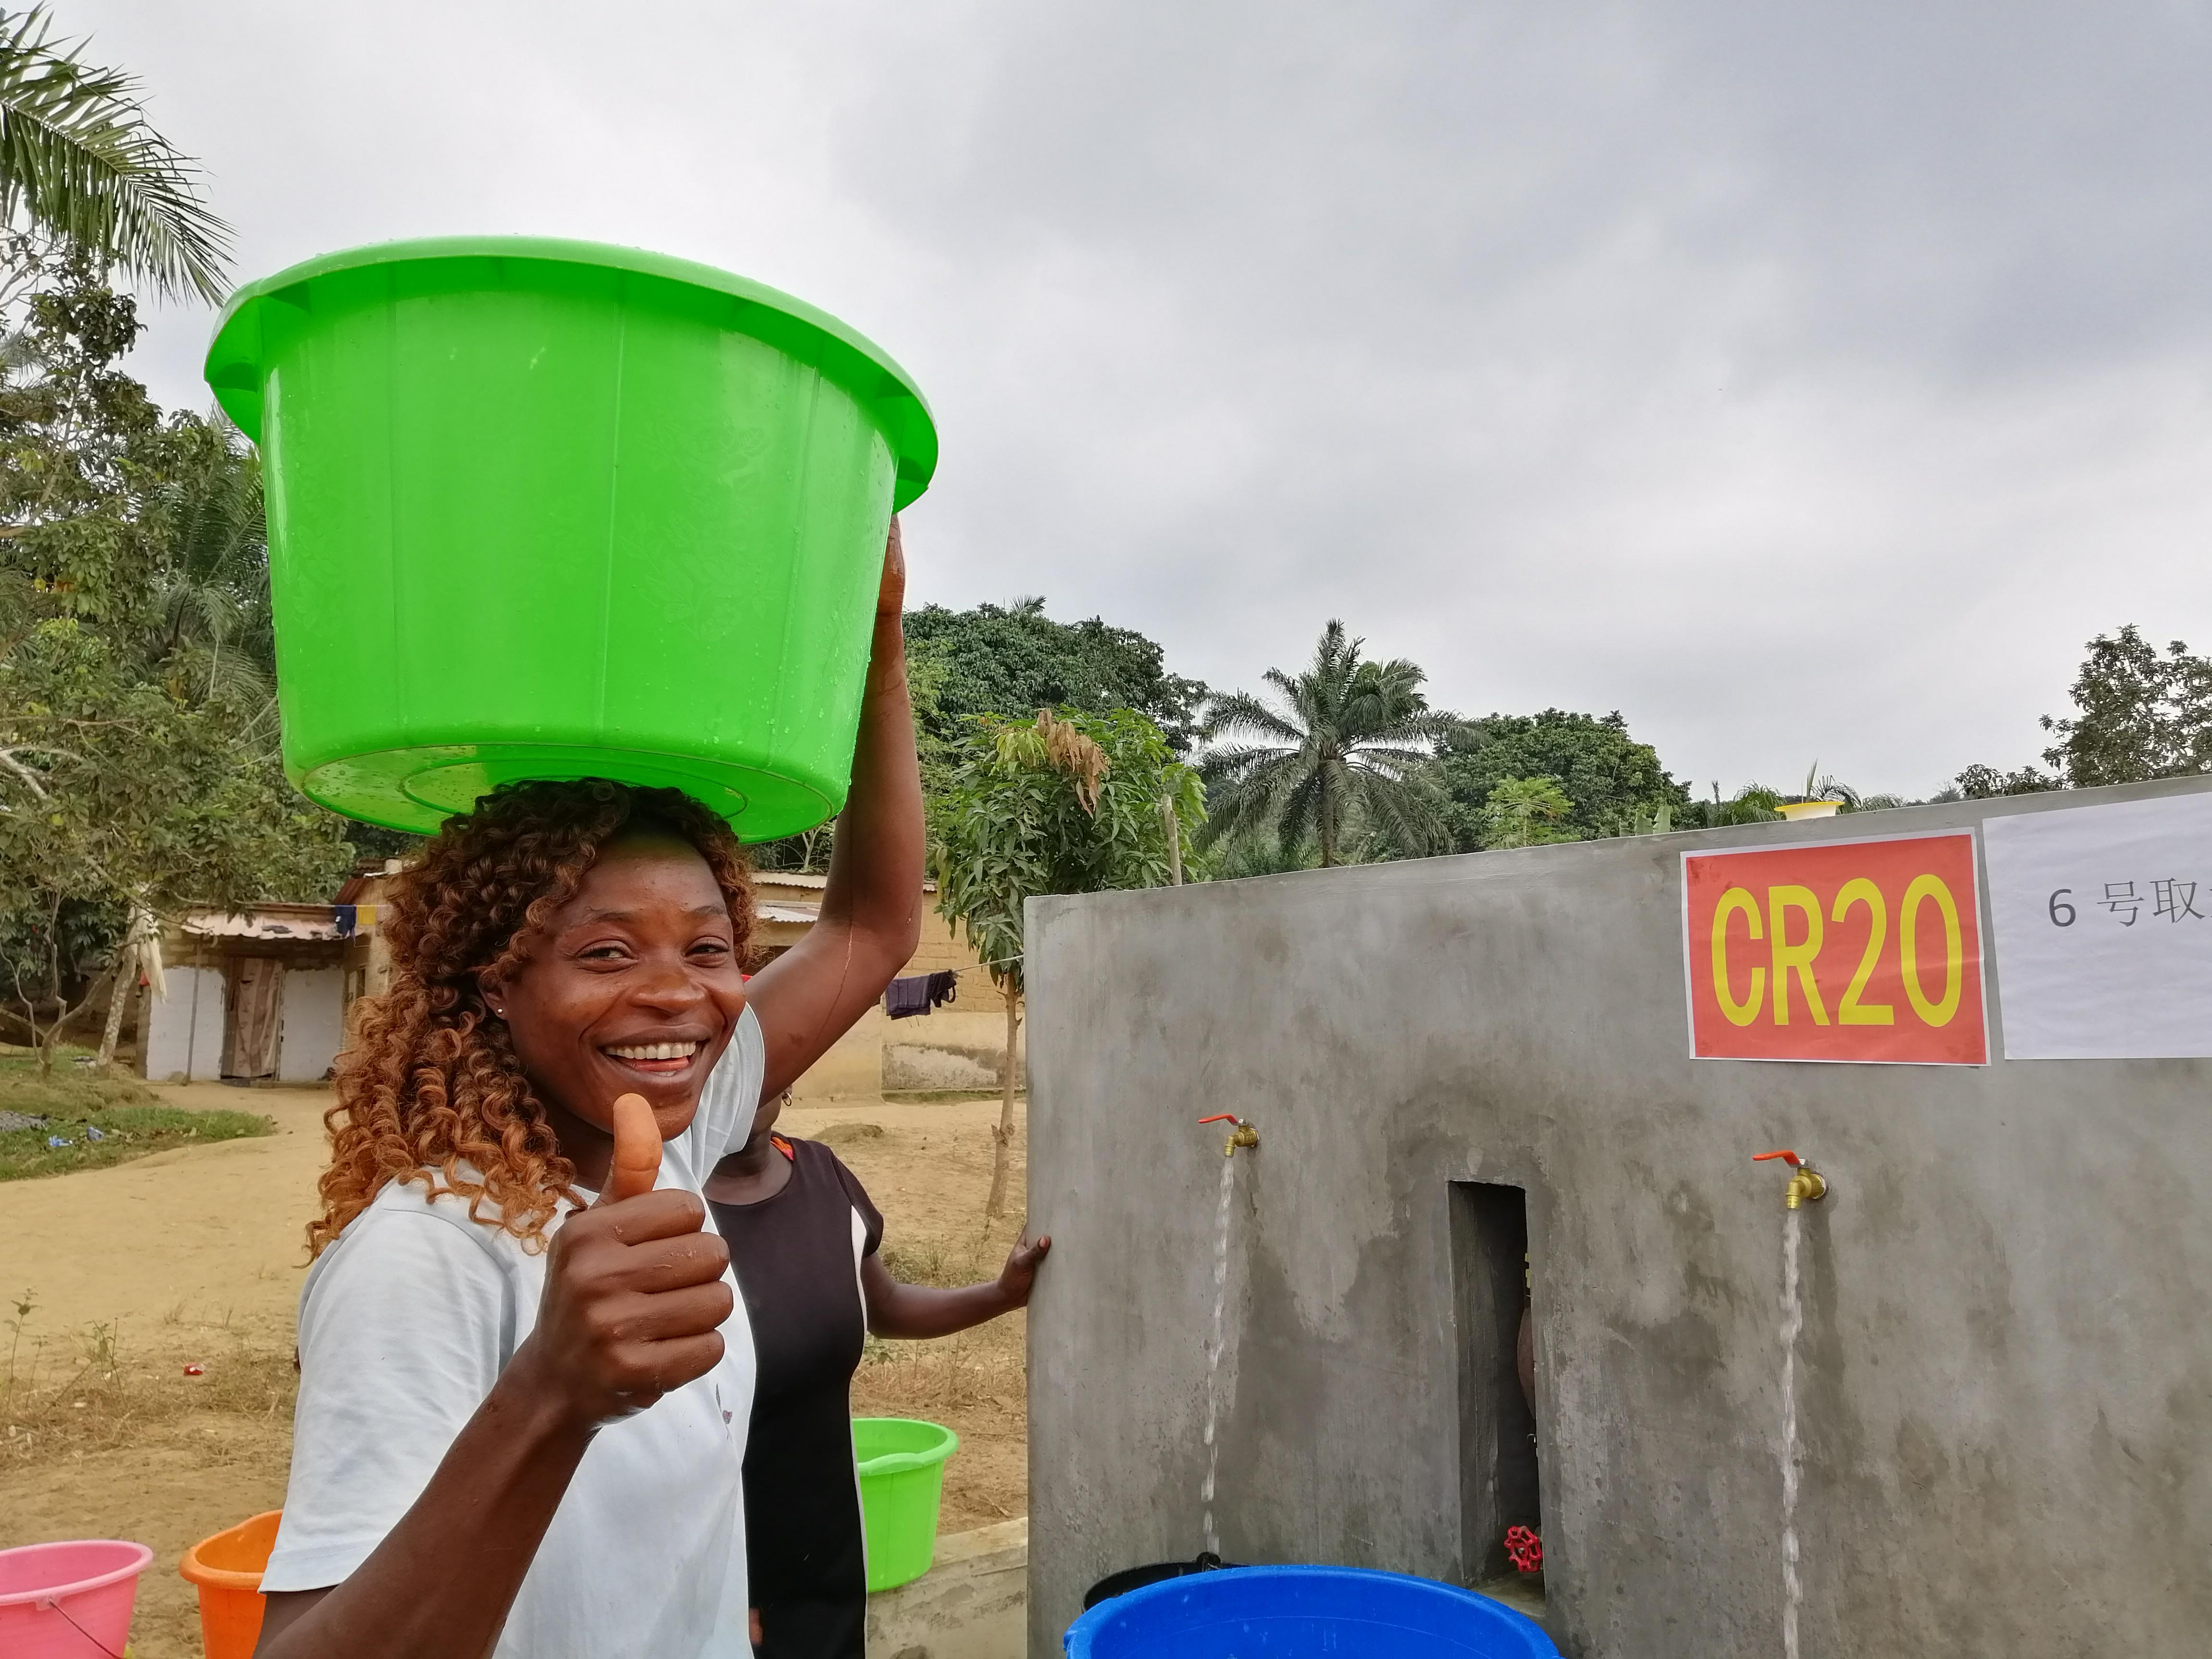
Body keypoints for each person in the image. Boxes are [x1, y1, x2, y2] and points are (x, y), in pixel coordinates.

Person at [252, 524, 926, 1659]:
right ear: (495, 983)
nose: (675, 995)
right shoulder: (427, 1258)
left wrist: (880, 644)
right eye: (607, 953)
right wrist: (552, 1392)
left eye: (709, 949)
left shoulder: (667, 1140)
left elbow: (868, 925)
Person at [704, 1086, 1049, 1659]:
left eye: (761, 1057)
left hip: (829, 1551)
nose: (744, 1080)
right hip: (717, 1575)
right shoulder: (660, 1203)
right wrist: (716, 1590)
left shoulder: (822, 1174)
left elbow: (881, 1306)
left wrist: (1000, 1295)